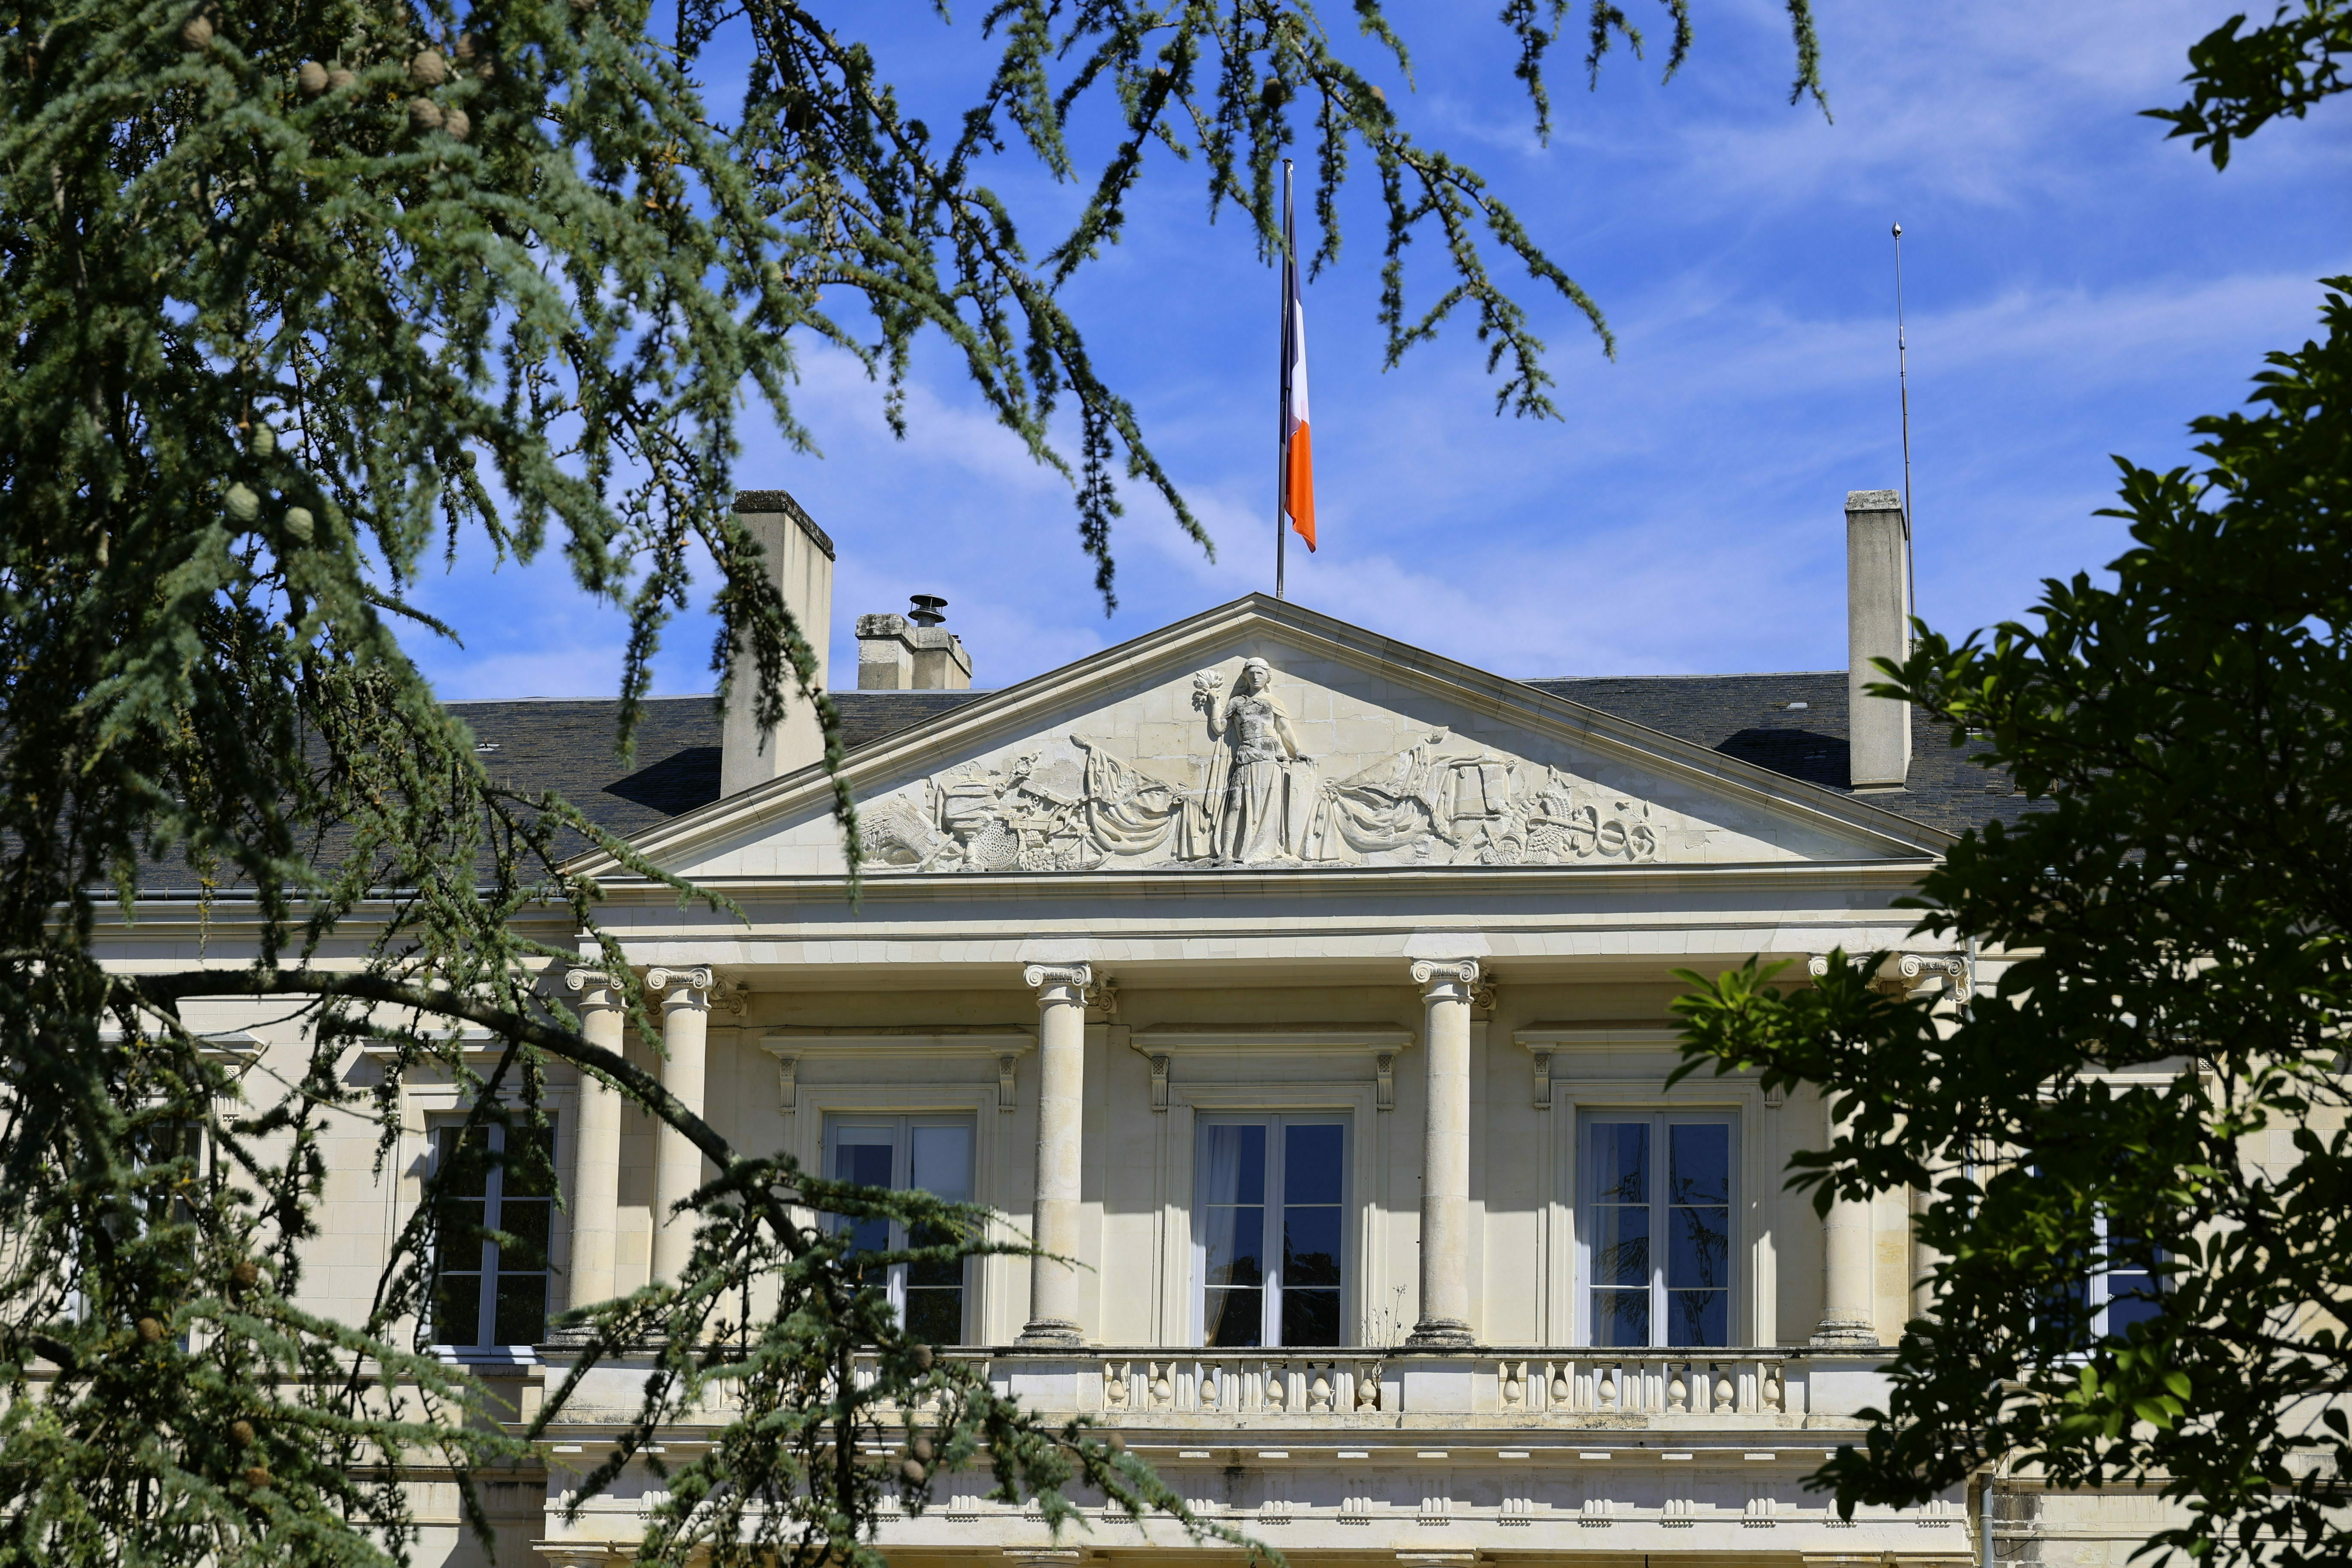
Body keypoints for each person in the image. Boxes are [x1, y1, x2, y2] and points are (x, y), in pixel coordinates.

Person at [1198, 658, 1309, 862]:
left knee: (1267, 805)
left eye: (1260, 673)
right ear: (1245, 676)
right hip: (1246, 754)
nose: (1256, 677)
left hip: (1269, 756)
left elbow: (1285, 729)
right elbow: (1220, 728)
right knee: (1236, 804)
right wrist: (1215, 704)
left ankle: (1261, 848)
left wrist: (1298, 752)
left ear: (1268, 677)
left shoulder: (1275, 702)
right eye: (1252, 673)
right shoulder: (1237, 702)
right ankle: (1227, 852)